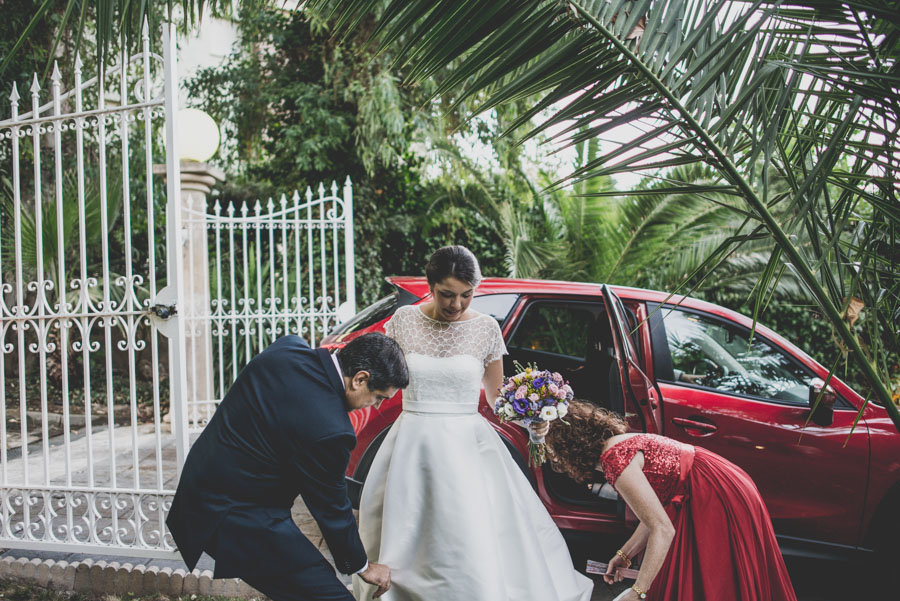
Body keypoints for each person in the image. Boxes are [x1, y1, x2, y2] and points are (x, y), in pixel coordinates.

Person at [353, 245, 593, 601]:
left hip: (466, 446)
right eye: (447, 294)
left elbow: (497, 399)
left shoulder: (486, 328)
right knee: (407, 525)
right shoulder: (403, 320)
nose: (456, 304)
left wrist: (532, 420)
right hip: (411, 443)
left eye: (466, 295)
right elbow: (385, 377)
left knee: (466, 528)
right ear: (431, 286)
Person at [166, 333, 409, 601]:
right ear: (360, 379)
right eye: (378, 397)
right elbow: (331, 507)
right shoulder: (331, 429)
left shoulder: (287, 348)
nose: (376, 406)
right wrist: (363, 566)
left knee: (314, 579)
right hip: (236, 514)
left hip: (202, 486)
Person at [545, 401, 797, 601]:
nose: (554, 460)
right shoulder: (615, 446)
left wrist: (638, 592)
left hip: (712, 490)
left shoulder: (615, 460)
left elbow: (662, 528)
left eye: (554, 451)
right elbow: (654, 514)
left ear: (570, 448)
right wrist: (625, 554)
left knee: (718, 575)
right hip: (714, 479)